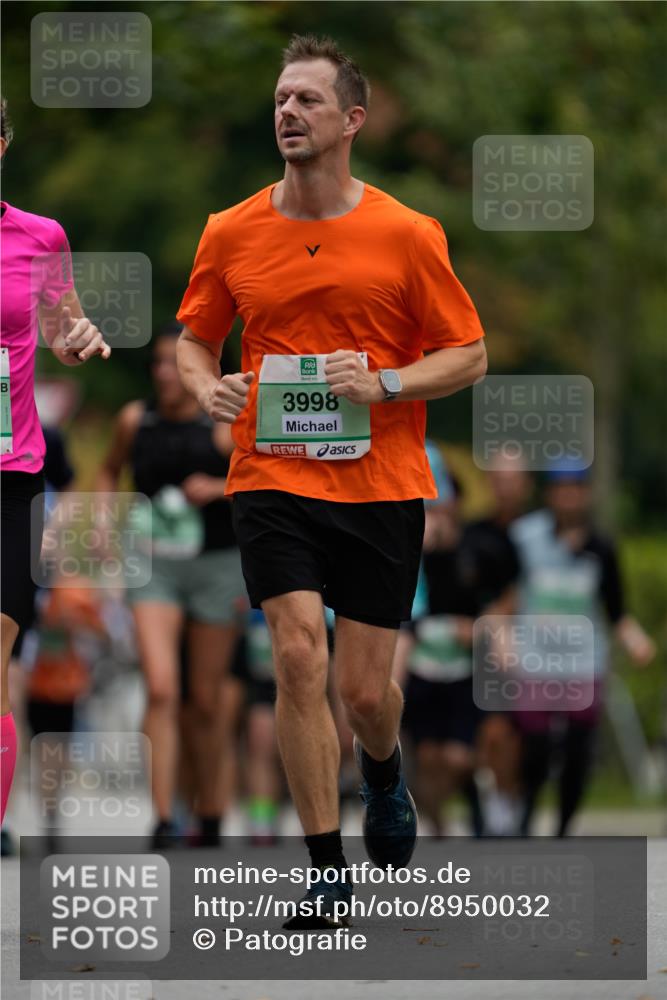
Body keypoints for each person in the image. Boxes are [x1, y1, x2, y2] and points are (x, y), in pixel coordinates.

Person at [175, 35, 486, 926]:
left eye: (307, 101)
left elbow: (468, 353)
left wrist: (385, 381)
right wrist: (210, 386)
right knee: (297, 655)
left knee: (361, 691)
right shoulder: (230, 230)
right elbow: (196, 339)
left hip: (382, 481)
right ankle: (323, 867)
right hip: (270, 474)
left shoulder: (406, 232)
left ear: (350, 120)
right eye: (280, 99)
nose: (287, 113)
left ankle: (383, 774)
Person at [0, 98, 110, 825]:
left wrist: (76, 337)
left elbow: (62, 326)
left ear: (3, 141)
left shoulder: (41, 237)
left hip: (10, 477)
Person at [95, 324, 246, 847]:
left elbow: (265, 479)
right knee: (161, 687)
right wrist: (102, 523)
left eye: (171, 363)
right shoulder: (136, 420)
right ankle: (161, 819)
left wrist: (222, 487)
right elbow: (108, 471)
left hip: (217, 565)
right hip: (153, 565)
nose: (163, 373)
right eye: (156, 363)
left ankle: (210, 812)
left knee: (205, 700)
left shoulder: (223, 426)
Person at [509, 461, 655, 836]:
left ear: (586, 494)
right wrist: (501, 636)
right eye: (562, 489)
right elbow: (506, 595)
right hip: (535, 659)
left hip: (582, 662)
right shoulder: (525, 538)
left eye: (576, 489)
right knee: (536, 747)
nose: (569, 497)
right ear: (550, 494)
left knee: (577, 750)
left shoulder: (601, 547)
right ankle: (525, 813)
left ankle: (563, 825)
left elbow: (616, 610)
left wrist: (636, 642)